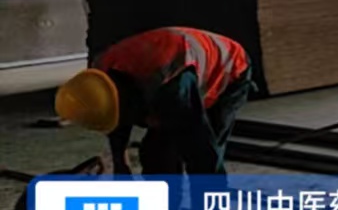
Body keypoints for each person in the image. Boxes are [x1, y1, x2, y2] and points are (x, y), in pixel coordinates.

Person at [55, 27, 255, 175]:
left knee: (204, 149)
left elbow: (202, 153)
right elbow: (115, 121)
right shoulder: (99, 78)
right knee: (157, 154)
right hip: (168, 70)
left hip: (230, 69)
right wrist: (120, 164)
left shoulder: (170, 86)